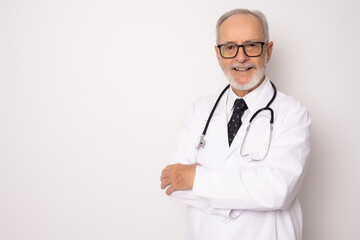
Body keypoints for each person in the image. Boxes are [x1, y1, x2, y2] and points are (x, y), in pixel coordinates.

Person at [160, 8, 311, 240]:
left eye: (251, 45)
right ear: (218, 54)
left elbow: (277, 191)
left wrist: (197, 178)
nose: (241, 57)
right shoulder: (198, 111)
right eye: (230, 47)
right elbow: (173, 185)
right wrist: (248, 192)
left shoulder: (293, 114)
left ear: (268, 51)